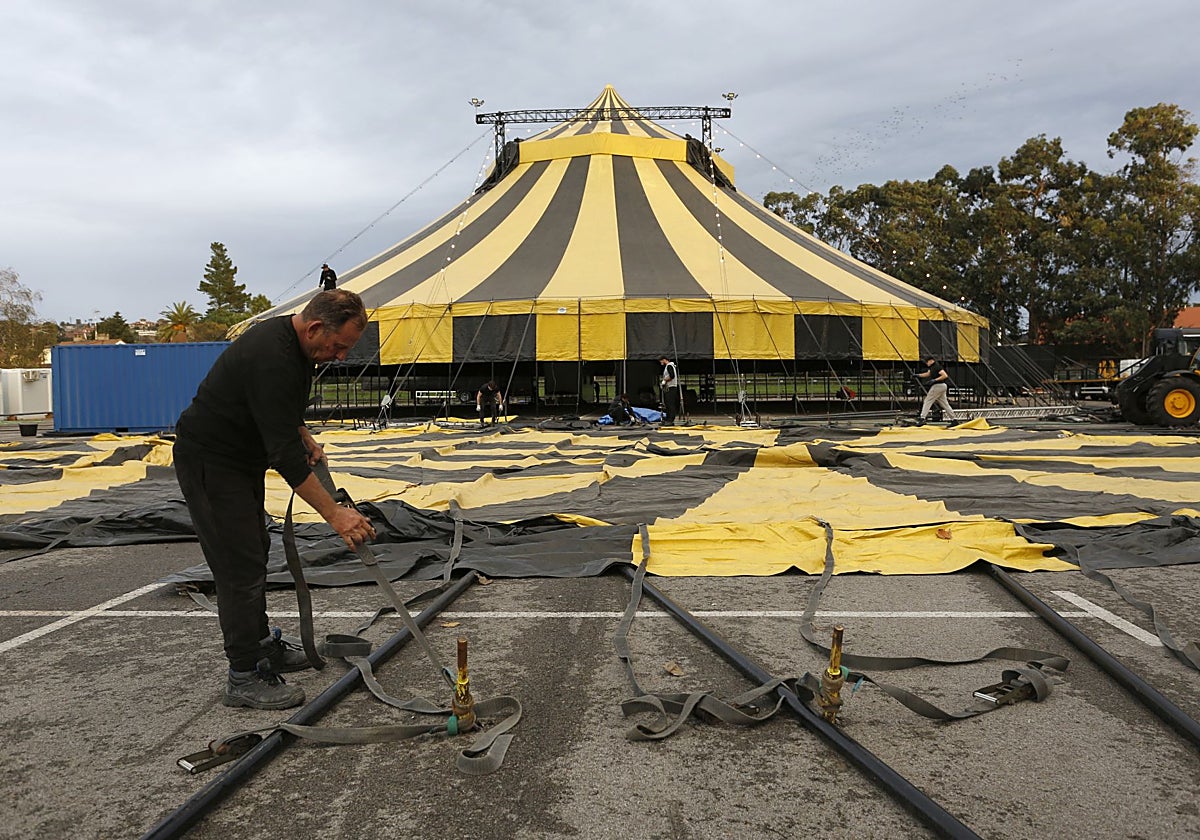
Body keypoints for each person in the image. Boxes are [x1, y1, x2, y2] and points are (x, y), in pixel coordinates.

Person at [173, 289, 377, 711]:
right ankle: (244, 675)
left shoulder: (295, 345)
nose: (339, 357)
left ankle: (261, 644)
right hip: (211, 461)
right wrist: (335, 514)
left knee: (255, 549)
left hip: (239, 459)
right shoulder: (273, 356)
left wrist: (302, 433)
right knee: (238, 563)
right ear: (316, 327)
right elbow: (283, 458)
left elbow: (274, 410)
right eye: (338, 347)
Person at [915, 355, 957, 425]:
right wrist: (918, 375)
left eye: (927, 362)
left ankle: (922, 418)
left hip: (938, 386)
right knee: (945, 404)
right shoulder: (932, 368)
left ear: (931, 361)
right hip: (942, 386)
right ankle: (954, 419)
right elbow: (928, 374)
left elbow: (945, 375)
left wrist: (934, 380)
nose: (926, 363)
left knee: (928, 401)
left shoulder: (937, 367)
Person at [659, 357, 681, 425]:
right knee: (667, 404)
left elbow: (672, 376)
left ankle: (671, 419)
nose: (661, 363)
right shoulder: (670, 366)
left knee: (670, 404)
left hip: (671, 387)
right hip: (669, 387)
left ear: (664, 360)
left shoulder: (669, 366)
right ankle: (668, 418)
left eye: (661, 361)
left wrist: (665, 380)